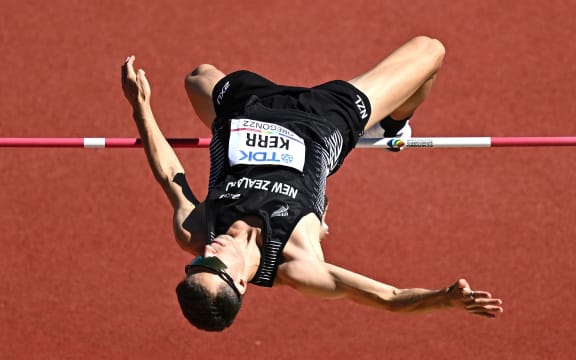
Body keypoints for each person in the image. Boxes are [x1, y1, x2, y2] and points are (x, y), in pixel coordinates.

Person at [121, 36, 503, 332]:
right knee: (430, 51)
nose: (206, 251)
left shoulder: (198, 230)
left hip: (246, 108)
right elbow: (389, 297)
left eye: (195, 263)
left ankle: (384, 117)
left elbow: (169, 173)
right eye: (212, 263)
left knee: (197, 76)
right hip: (326, 117)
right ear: (239, 282)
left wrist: (141, 107)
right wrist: (443, 300)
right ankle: (391, 125)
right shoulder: (298, 264)